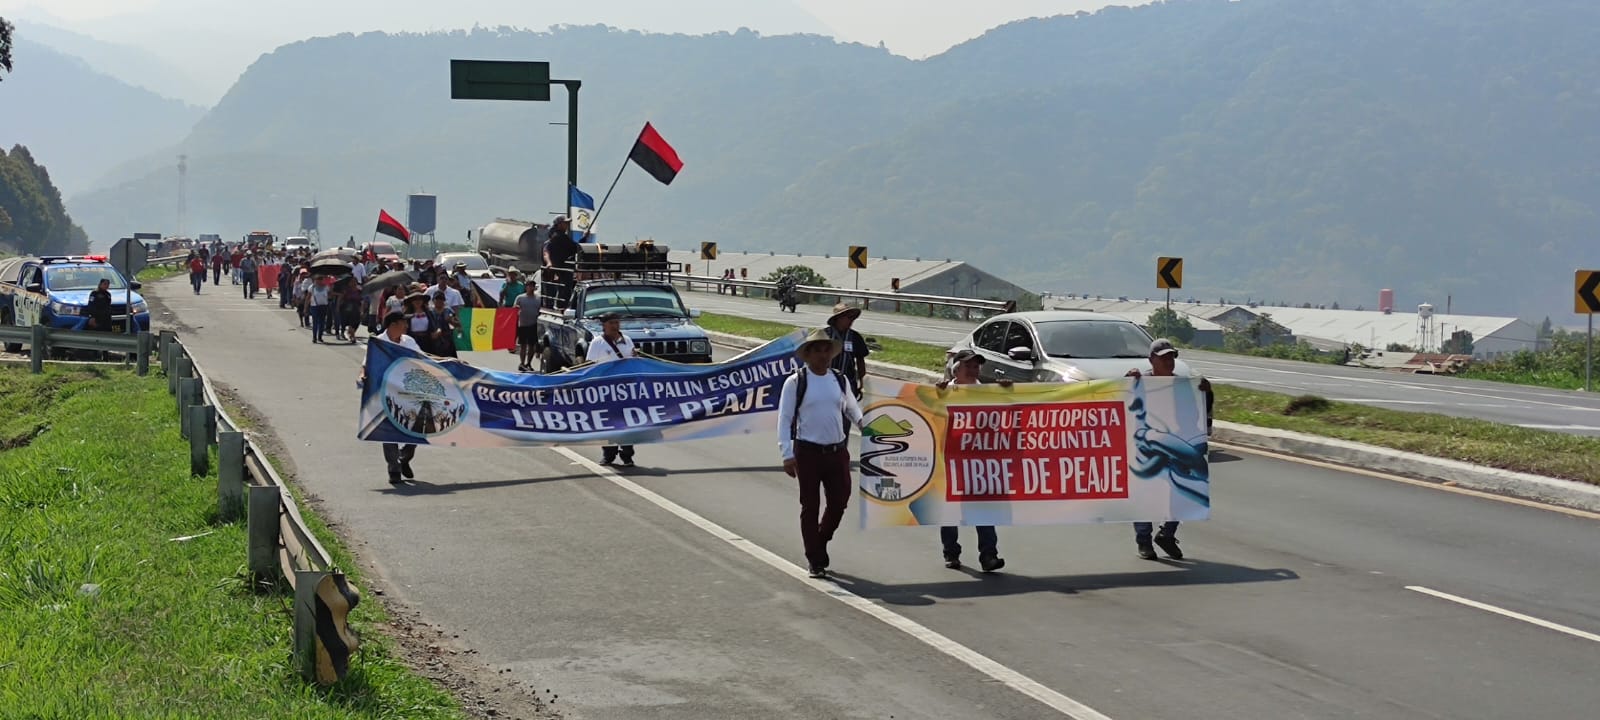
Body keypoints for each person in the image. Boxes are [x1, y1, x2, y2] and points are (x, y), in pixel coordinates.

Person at [777, 328, 866, 578]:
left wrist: (864, 425)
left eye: (827, 350)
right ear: (808, 354)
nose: (824, 355)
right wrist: (786, 454)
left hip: (837, 451)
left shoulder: (839, 379)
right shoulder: (796, 382)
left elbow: (852, 408)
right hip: (807, 452)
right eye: (818, 350)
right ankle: (815, 559)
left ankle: (820, 540)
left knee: (839, 501)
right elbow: (784, 419)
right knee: (810, 505)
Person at [1124, 338, 1211, 561]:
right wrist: (1126, 381)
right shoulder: (1139, 382)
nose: (1169, 361)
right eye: (1163, 358)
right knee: (1144, 493)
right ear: (1151, 360)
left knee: (1182, 490)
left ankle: (1167, 534)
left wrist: (1206, 393)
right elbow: (1122, 404)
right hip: (1146, 447)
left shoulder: (1183, 385)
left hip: (1178, 443)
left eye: (1172, 357)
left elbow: (1198, 413)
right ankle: (1144, 540)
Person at [933, 349, 1011, 572]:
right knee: (950, 509)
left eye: (976, 366)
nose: (973, 370)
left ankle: (989, 556)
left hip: (979, 461)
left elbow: (1007, 417)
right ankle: (951, 553)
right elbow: (932, 418)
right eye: (968, 366)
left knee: (982, 508)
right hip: (950, 459)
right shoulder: (945, 392)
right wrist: (938, 396)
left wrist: (1007, 392)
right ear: (956, 370)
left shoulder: (987, 392)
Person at [362, 311, 427, 485]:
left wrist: (449, 361)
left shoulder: (408, 341)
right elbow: (366, 364)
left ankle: (404, 457)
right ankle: (394, 468)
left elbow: (423, 359)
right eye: (403, 323)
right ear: (392, 325)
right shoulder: (379, 343)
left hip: (409, 391)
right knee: (389, 431)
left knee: (417, 428)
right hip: (386, 392)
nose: (406, 326)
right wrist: (362, 375)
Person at [585, 313, 637, 465]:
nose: (615, 326)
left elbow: (633, 363)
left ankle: (627, 454)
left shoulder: (627, 340)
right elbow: (590, 366)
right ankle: (609, 454)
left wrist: (635, 356)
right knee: (608, 423)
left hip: (625, 389)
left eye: (617, 322)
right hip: (605, 390)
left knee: (627, 422)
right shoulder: (598, 343)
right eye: (612, 323)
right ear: (604, 325)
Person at [825, 303, 870, 400]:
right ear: (838, 318)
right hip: (826, 382)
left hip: (848, 383)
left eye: (853, 318)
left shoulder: (855, 337)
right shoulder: (824, 335)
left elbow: (860, 361)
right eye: (849, 317)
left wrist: (862, 383)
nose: (851, 320)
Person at [543, 216, 579, 309]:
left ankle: (559, 304)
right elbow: (575, 248)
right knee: (564, 289)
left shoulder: (557, 236)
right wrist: (549, 263)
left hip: (558, 268)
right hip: (559, 268)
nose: (567, 225)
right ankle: (562, 306)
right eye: (565, 223)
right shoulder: (559, 237)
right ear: (559, 225)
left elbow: (573, 247)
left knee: (560, 289)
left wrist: (583, 239)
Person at [515, 280, 542, 372]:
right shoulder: (520, 298)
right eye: (529, 286)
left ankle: (529, 363)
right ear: (526, 287)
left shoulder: (538, 299)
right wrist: (516, 308)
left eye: (533, 286)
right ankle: (522, 363)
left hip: (533, 325)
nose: (531, 288)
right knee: (523, 345)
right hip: (522, 325)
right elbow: (514, 309)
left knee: (532, 346)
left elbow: (541, 310)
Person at [426, 292, 459, 357]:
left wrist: (450, 321)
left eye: (441, 299)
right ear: (433, 300)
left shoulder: (448, 311)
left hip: (448, 340)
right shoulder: (429, 312)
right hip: (434, 341)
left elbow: (458, 325)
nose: (439, 301)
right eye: (437, 299)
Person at [308, 275, 332, 343]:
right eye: (317, 279)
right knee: (315, 322)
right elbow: (308, 297)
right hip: (314, 306)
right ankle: (314, 337)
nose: (319, 281)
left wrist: (330, 293)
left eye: (321, 279)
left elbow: (330, 296)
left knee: (322, 322)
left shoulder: (326, 287)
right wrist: (306, 307)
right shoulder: (312, 287)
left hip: (323, 306)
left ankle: (320, 336)